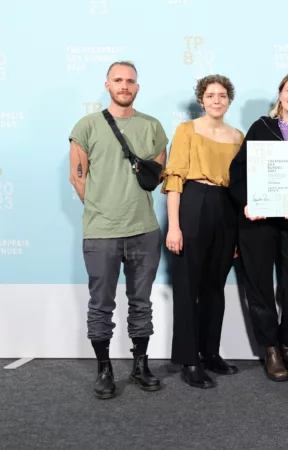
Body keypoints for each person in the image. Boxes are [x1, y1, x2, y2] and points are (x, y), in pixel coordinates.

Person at [68, 61, 167, 399]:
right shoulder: (87, 126)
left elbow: (158, 174)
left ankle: (140, 365)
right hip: (100, 232)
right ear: (107, 85)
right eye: (118, 80)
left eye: (130, 81)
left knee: (141, 303)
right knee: (101, 304)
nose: (124, 85)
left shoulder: (152, 126)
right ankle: (104, 368)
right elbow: (77, 177)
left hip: (144, 230)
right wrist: (101, 208)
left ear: (137, 87)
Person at [228, 72, 288, 382]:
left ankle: (287, 344)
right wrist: (247, 203)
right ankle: (270, 349)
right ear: (280, 94)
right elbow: (239, 171)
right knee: (259, 286)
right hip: (259, 221)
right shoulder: (261, 128)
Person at [162, 75, 242, 389]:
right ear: (202, 99)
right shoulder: (186, 131)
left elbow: (238, 187)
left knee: (214, 288)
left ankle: (210, 353)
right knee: (187, 287)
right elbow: (175, 179)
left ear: (229, 100)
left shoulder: (238, 136)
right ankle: (189, 359)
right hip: (193, 203)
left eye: (222, 95)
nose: (217, 100)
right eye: (211, 95)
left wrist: (236, 234)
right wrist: (174, 226)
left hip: (225, 208)